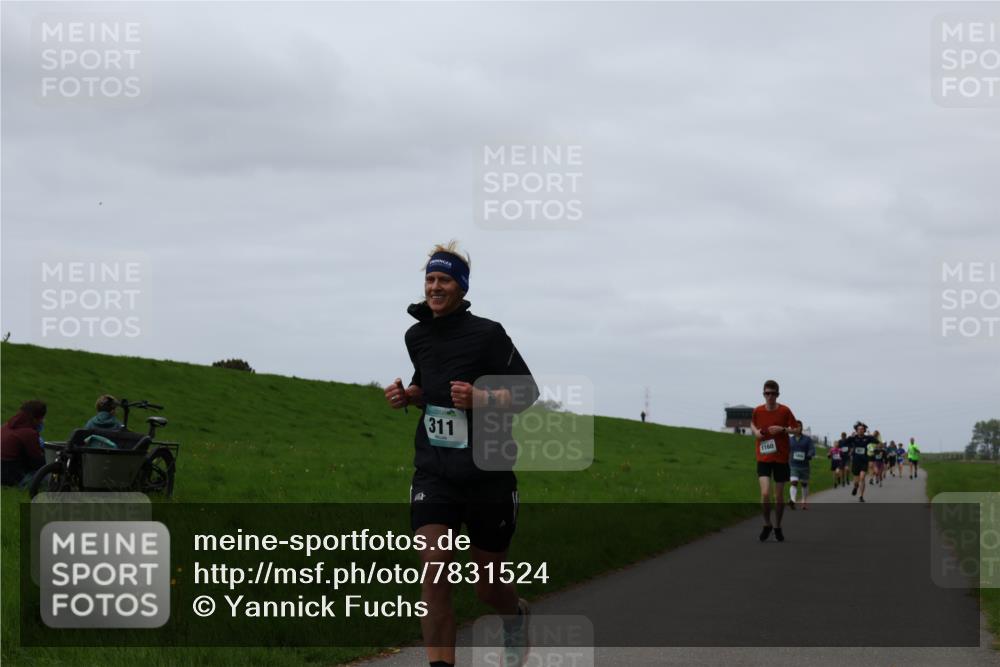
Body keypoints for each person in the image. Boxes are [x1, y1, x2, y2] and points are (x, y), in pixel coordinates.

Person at [384, 241, 539, 667]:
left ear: (461, 288)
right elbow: (431, 386)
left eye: (444, 279)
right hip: (435, 470)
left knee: (487, 587)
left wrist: (481, 397)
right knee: (433, 575)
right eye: (430, 279)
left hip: (488, 472)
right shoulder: (416, 336)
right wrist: (410, 396)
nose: (435, 287)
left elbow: (528, 392)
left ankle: (514, 616)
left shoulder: (488, 334)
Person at [750, 379, 800, 542]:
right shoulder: (758, 410)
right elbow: (752, 423)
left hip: (780, 458)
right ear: (763, 394)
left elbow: (797, 429)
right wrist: (756, 432)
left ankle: (778, 526)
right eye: (767, 393)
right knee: (765, 493)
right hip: (763, 457)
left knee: (778, 497)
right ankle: (767, 524)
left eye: (772, 393)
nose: (769, 396)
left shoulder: (785, 411)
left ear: (777, 395)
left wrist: (783, 429)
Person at [1, 400, 47, 487]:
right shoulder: (29, 433)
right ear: (37, 418)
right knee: (50, 477)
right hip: (11, 477)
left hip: (5, 472)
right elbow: (38, 463)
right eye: (42, 418)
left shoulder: (5, 426)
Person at [845, 421, 877, 502]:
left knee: (862, 478)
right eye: (859, 429)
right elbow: (845, 442)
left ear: (864, 430)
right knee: (856, 481)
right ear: (856, 430)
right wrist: (850, 436)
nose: (860, 430)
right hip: (856, 461)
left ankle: (861, 496)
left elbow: (876, 442)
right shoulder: (853, 438)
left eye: (862, 429)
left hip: (864, 461)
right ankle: (855, 487)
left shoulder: (867, 438)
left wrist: (871, 436)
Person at [788, 421, 815, 510]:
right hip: (793, 464)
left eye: (799, 426)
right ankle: (792, 500)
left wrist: (810, 454)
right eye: (795, 427)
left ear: (801, 428)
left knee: (804, 484)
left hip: (804, 466)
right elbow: (786, 450)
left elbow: (812, 449)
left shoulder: (807, 439)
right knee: (794, 482)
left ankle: (804, 501)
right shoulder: (790, 440)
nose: (797, 428)